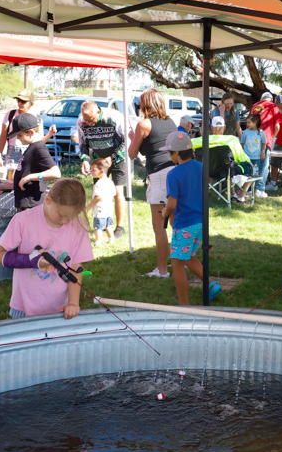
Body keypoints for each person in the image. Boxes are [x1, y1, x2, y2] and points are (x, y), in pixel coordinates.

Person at [0, 179, 93, 319]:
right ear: (48, 200)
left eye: (70, 217)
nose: (65, 221)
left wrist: (73, 303)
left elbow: (76, 267)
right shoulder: (23, 220)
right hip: (24, 306)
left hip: (60, 308)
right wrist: (31, 260)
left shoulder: (78, 225)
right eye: (62, 216)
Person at [128, 89, 178, 278]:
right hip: (174, 173)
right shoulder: (170, 122)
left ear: (145, 104)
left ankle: (162, 270)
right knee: (176, 223)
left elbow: (132, 154)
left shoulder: (144, 124)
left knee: (159, 227)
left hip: (159, 177)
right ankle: (182, 261)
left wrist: (133, 138)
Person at [160, 131, 205, 306]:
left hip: (184, 223)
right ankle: (210, 285)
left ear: (176, 153)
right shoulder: (201, 167)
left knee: (178, 264)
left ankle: (183, 306)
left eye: (169, 152)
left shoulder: (174, 174)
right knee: (188, 257)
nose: (169, 155)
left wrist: (165, 212)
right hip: (200, 222)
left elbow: (172, 204)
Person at [72, 100, 127, 239]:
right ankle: (102, 223)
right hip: (97, 160)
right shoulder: (81, 121)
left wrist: (112, 157)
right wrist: (85, 160)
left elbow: (127, 140)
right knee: (99, 191)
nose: (89, 123)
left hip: (118, 157)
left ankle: (119, 227)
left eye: (92, 120)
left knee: (117, 190)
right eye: (86, 120)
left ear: (98, 111)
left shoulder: (113, 117)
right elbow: (83, 143)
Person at [0, 112, 61, 211]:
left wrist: (29, 177)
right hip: (25, 204)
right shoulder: (32, 147)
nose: (18, 139)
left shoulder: (39, 149)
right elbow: (23, 177)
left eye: (20, 135)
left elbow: (55, 173)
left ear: (31, 133)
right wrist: (3, 187)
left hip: (31, 206)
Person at [0, 90, 54, 181]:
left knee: (27, 177)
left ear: (30, 103)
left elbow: (40, 141)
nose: (20, 103)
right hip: (13, 149)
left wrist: (50, 134)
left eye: (23, 101)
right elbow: (3, 136)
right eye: (18, 100)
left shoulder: (37, 118)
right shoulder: (10, 115)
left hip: (30, 149)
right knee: (12, 180)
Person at [249, 93, 282, 189]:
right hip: (265, 139)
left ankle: (249, 188)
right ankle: (259, 189)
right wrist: (272, 138)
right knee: (263, 165)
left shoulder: (253, 106)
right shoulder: (273, 106)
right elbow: (277, 126)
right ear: (271, 99)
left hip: (251, 139)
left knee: (253, 164)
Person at [87, 157, 116, 242]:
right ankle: (111, 239)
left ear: (101, 171)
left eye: (93, 170)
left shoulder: (99, 184)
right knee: (108, 225)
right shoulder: (110, 182)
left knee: (98, 227)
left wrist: (89, 206)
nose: (91, 172)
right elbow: (114, 193)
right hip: (109, 209)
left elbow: (98, 197)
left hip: (100, 210)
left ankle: (98, 242)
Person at [240, 113, 268, 199]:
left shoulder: (261, 133)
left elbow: (264, 143)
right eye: (246, 122)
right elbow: (242, 144)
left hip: (256, 158)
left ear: (255, 122)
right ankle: (245, 191)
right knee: (246, 174)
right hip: (246, 158)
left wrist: (263, 152)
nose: (247, 124)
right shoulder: (245, 132)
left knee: (254, 174)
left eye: (249, 122)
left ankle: (252, 190)